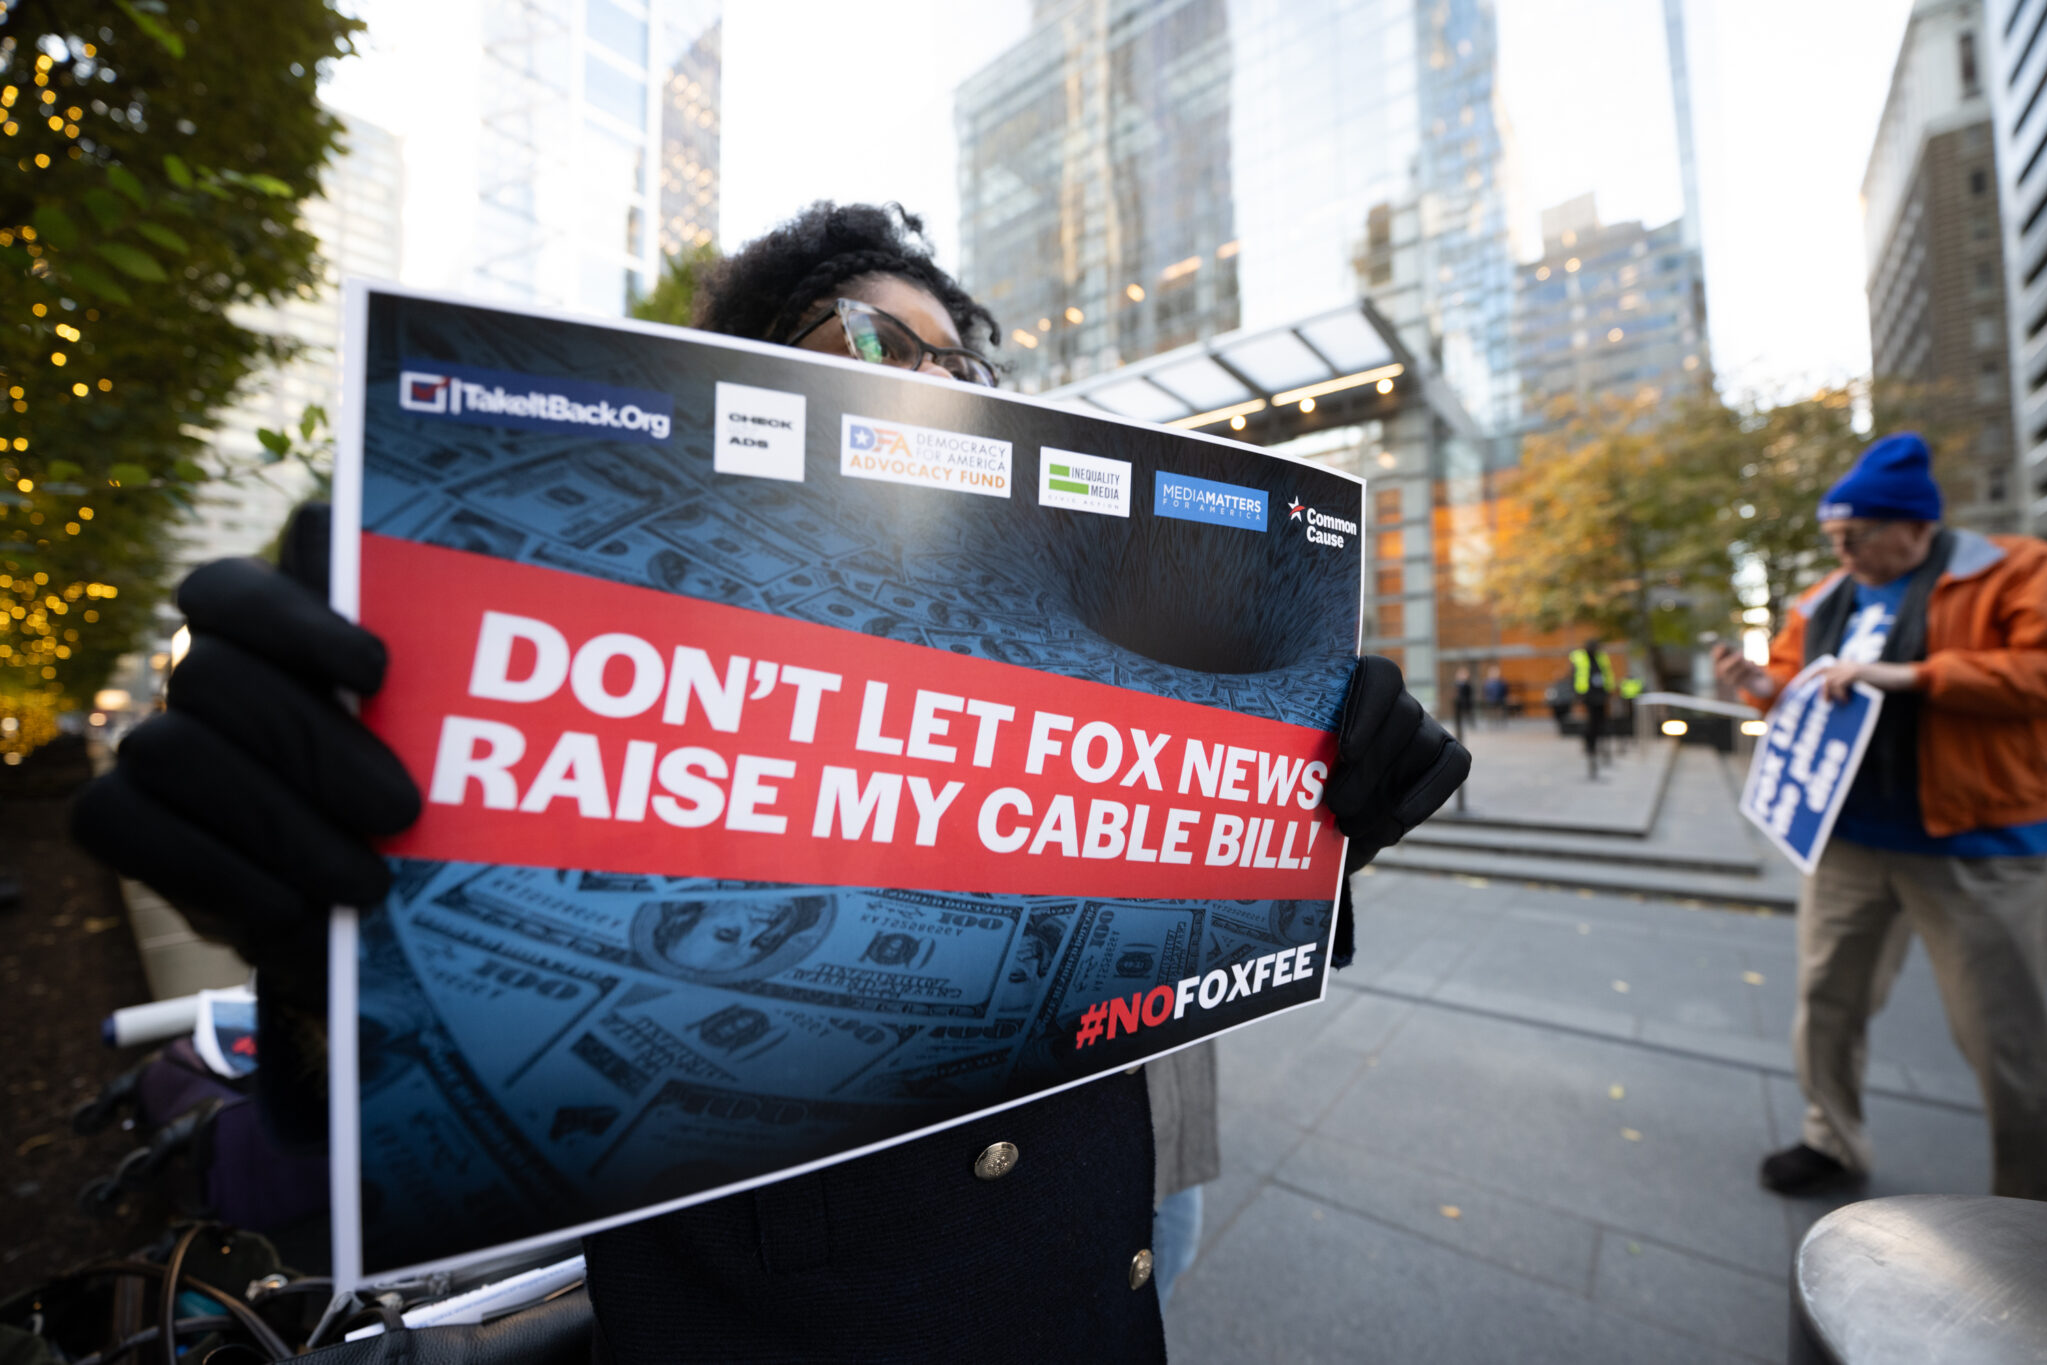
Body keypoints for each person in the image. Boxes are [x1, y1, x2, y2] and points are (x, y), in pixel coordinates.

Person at [71, 202, 1472, 1361]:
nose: (931, 382)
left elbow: (1172, 934)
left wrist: (1319, 810)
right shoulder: (642, 699)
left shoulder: (1082, 659)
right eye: (866, 340)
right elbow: (403, 1133)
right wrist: (324, 952)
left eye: (963, 365)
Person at [1712, 431, 2047, 1201]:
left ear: (1916, 526)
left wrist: (1916, 676)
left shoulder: (2014, 571)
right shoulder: (1827, 597)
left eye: (1856, 535)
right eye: (1835, 537)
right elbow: (1797, 687)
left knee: (2009, 1035)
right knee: (1828, 999)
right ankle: (1830, 1135)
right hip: (1848, 840)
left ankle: (2030, 1199)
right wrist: (1761, 686)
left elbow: (2038, 670)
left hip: (1978, 841)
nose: (1844, 550)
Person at [1570, 638, 1614, 778]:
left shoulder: (1601, 657)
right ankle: (1590, 746)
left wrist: (1609, 690)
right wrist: (1579, 694)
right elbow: (1575, 676)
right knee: (1591, 722)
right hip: (1587, 695)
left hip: (1600, 694)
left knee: (1601, 721)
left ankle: (1599, 746)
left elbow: (1607, 674)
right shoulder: (1580, 657)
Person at [1452, 667, 1476, 736]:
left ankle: (1470, 726)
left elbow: (1469, 694)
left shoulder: (1468, 685)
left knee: (1468, 717)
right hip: (1458, 704)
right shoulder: (1456, 684)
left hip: (1466, 703)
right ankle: (1458, 730)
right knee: (1458, 719)